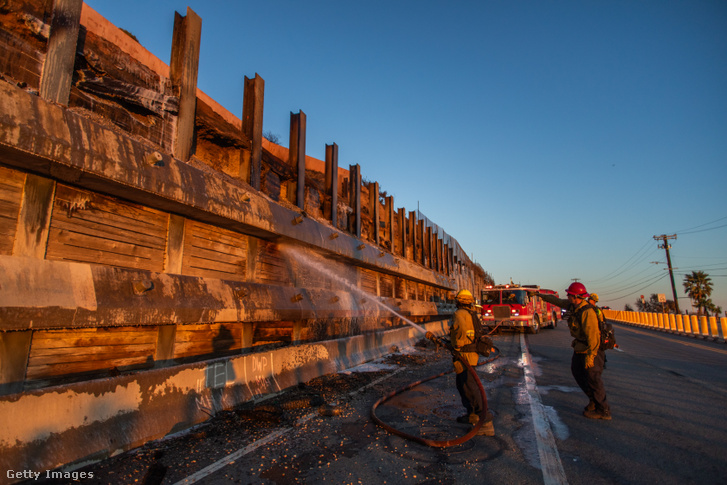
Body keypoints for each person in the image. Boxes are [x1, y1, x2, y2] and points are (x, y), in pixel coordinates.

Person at [537, 283, 611, 420]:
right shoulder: (574, 306)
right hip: (580, 348)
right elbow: (558, 301)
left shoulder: (587, 312)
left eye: (569, 294)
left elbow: (593, 336)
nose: (567, 296)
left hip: (591, 350)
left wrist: (591, 356)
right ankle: (593, 400)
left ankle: (603, 410)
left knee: (594, 379)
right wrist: (540, 296)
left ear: (576, 296)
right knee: (577, 372)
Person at [450, 289, 495, 435]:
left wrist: (456, 346)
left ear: (459, 301)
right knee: (463, 384)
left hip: (465, 354)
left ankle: (485, 421)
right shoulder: (472, 313)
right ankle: (473, 414)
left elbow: (461, 331)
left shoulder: (459, 314)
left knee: (470, 386)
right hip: (471, 353)